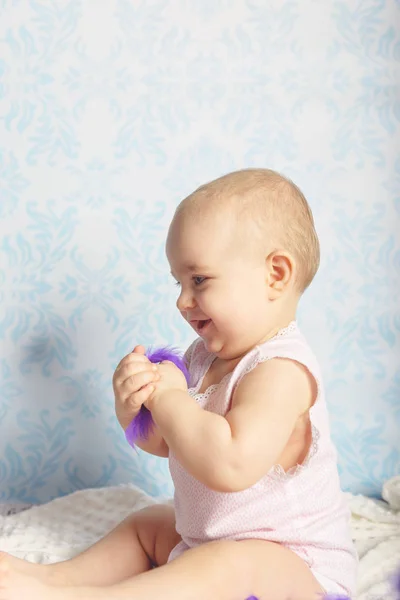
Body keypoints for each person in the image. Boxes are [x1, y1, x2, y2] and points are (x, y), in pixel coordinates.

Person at [0, 169, 357, 600]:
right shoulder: (203, 357)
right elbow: (177, 444)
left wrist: (169, 396)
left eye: (199, 280)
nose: (182, 301)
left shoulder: (281, 371)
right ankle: (48, 579)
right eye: (179, 282)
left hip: (296, 569)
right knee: (147, 524)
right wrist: (135, 409)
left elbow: (228, 464)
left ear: (275, 275)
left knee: (232, 561)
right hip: (210, 543)